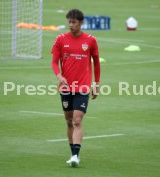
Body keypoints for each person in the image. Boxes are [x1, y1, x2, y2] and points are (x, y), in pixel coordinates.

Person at [51, 9, 101, 167]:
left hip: (83, 86)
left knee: (77, 120)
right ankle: (73, 153)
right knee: (68, 121)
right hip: (66, 87)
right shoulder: (60, 39)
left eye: (74, 22)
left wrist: (96, 84)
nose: (71, 25)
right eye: (69, 22)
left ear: (81, 23)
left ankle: (75, 156)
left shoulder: (90, 40)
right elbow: (54, 62)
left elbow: (96, 62)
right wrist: (59, 76)